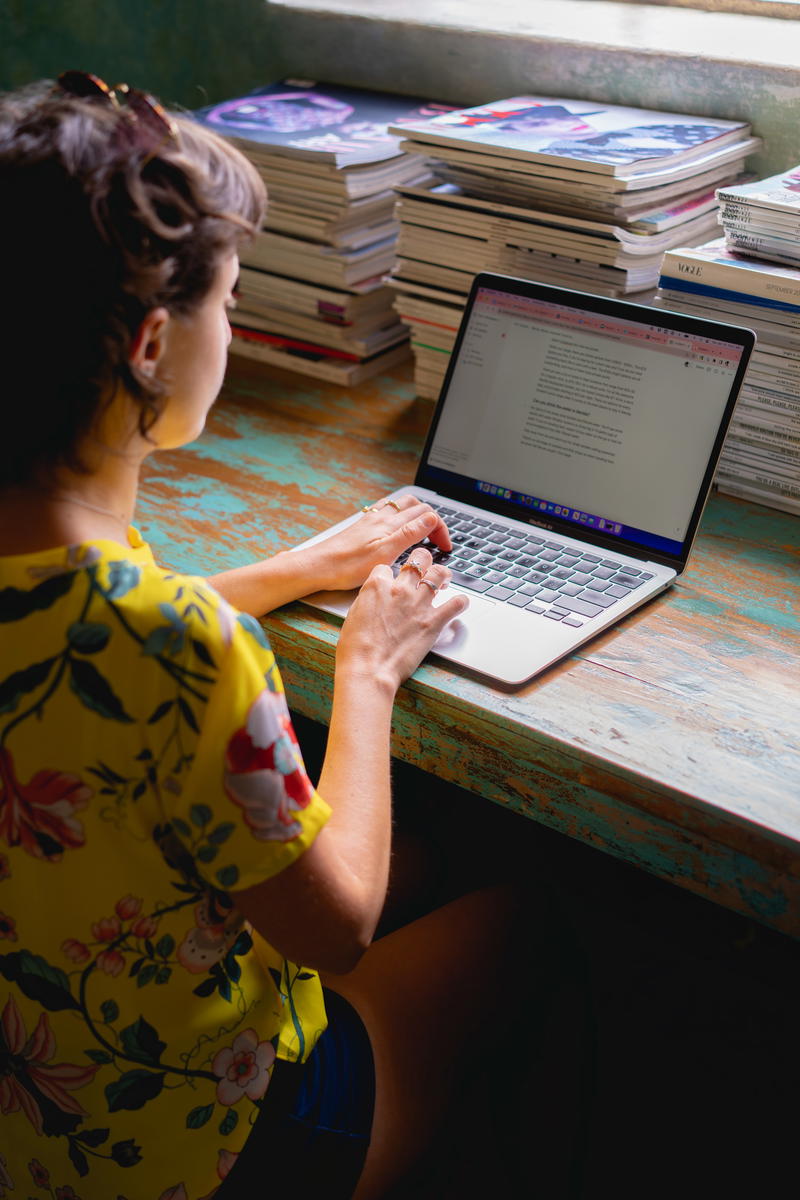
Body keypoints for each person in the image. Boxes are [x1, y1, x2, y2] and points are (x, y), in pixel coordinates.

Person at [0, 74, 529, 1200]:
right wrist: (368, 666)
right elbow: (338, 927)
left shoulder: (97, 606)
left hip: (28, 1114)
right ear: (152, 342)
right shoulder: (185, 649)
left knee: (420, 851)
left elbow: (84, 638)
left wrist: (296, 568)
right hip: (203, 1150)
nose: (228, 331)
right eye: (229, 304)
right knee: (519, 922)